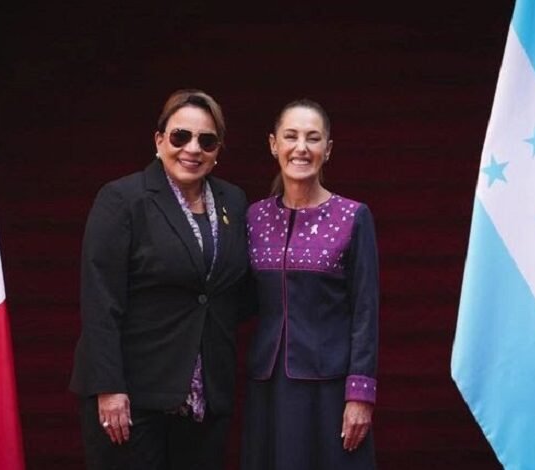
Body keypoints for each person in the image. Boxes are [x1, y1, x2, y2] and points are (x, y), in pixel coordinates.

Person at [70, 89, 250, 470]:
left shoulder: (233, 202)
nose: (193, 149)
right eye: (180, 136)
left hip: (204, 399)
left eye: (206, 141)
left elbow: (235, 293)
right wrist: (109, 386)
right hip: (132, 398)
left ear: (218, 150)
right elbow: (101, 301)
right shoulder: (123, 199)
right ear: (158, 140)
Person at [241, 99, 379, 469]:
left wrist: (360, 394)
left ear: (327, 149)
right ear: (274, 145)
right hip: (267, 386)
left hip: (330, 388)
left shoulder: (353, 216)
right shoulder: (254, 217)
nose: (301, 147)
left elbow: (365, 310)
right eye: (291, 136)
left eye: (312, 138)